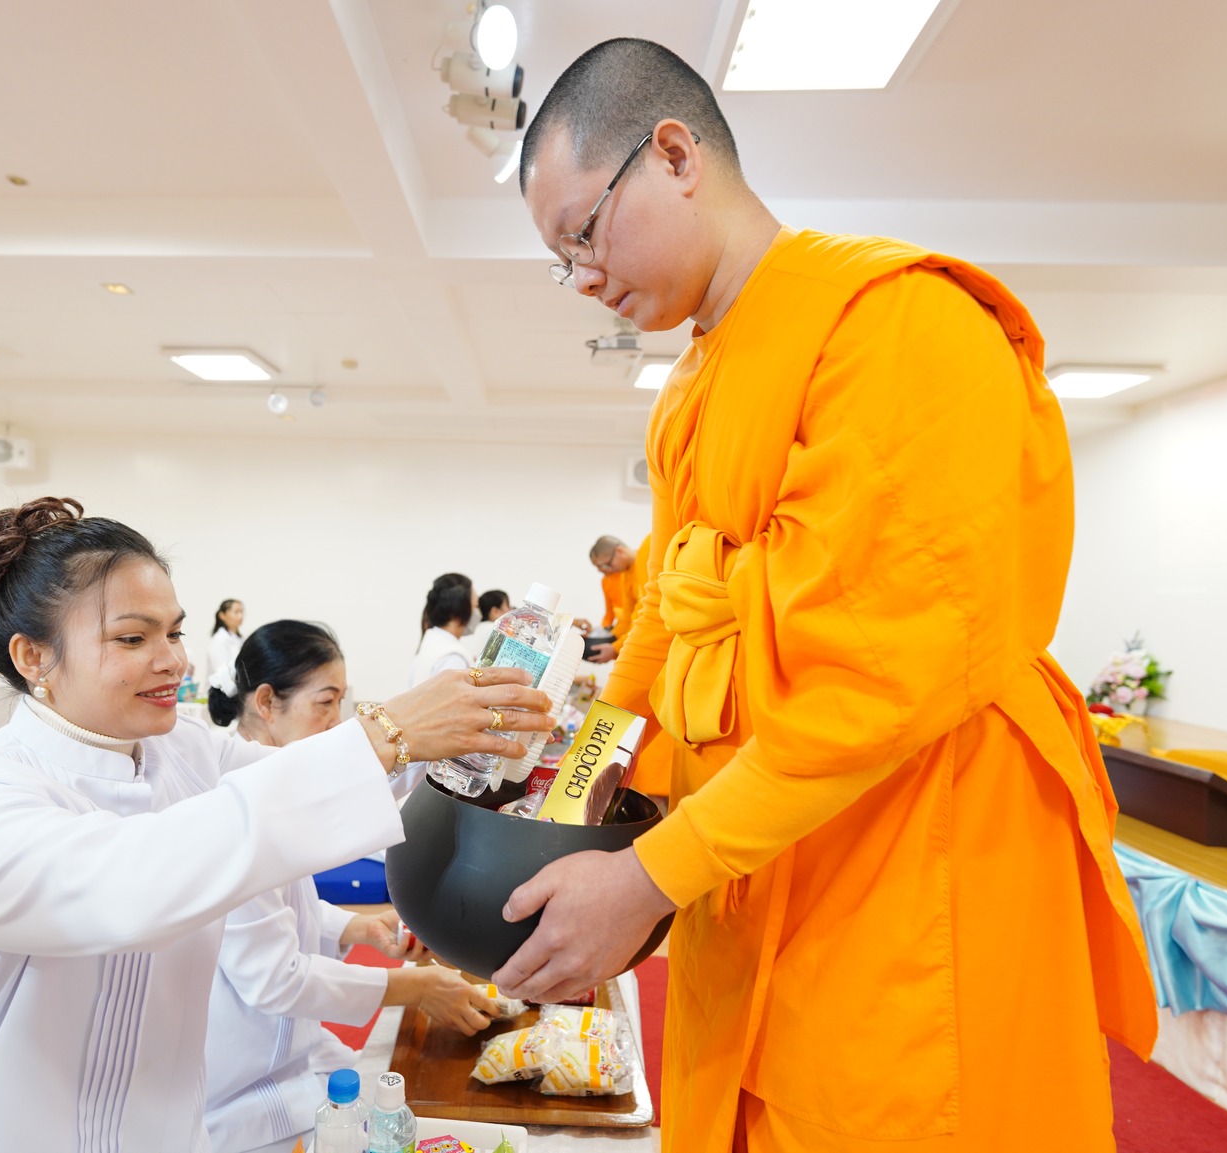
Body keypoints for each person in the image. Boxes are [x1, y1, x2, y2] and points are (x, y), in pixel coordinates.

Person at [494, 39, 1155, 1152]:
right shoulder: (687, 389)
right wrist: (587, 769)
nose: (586, 280)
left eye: (583, 233)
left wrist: (654, 870)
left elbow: (879, 674)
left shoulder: (892, 323)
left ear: (672, 155)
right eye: (561, 262)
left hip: (902, 850)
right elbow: (664, 610)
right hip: (743, 850)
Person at [0, 498, 550, 1152]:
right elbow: (131, 880)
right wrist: (386, 734)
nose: (174, 661)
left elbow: (313, 783)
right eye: (132, 637)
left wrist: (462, 739)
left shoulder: (184, 750)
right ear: (33, 657)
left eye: (173, 633)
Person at [203, 619, 497, 1153]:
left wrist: (357, 925)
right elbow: (272, 978)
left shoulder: (273, 776)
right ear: (267, 701)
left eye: (342, 703)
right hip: (237, 1092)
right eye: (325, 702)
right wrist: (417, 987)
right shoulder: (231, 797)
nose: (336, 723)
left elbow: (283, 902)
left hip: (291, 1056)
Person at [587, 534, 647, 664]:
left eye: (607, 564)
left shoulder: (646, 555)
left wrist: (616, 647)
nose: (606, 570)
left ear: (619, 551)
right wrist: (610, 638)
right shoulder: (625, 575)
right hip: (637, 632)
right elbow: (627, 616)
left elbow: (646, 614)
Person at [408, 573, 475, 688]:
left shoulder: (432, 641)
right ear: (459, 611)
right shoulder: (452, 657)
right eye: (476, 606)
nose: (478, 614)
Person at [206, 598, 245, 700]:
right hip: (221, 694)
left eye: (241, 612)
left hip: (235, 692)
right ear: (222, 615)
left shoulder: (239, 639)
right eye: (236, 612)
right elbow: (221, 672)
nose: (240, 616)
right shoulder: (219, 640)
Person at [459, 588, 511, 662]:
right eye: (508, 606)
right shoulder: (496, 629)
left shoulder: (472, 629)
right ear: (495, 611)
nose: (511, 610)